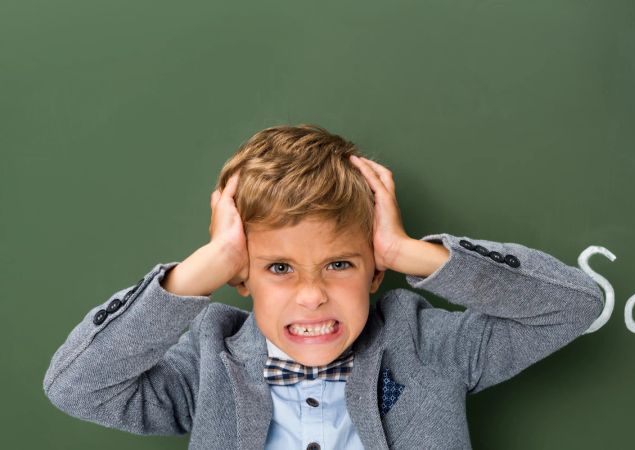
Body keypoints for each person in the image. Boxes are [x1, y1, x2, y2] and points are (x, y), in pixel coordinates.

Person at [43, 123, 605, 449]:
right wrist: (199, 271)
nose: (311, 295)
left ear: (374, 269)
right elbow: (76, 387)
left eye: (339, 265)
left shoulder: (430, 346)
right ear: (240, 274)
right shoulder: (208, 362)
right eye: (279, 268)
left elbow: (573, 304)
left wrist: (410, 251)